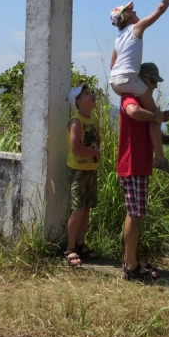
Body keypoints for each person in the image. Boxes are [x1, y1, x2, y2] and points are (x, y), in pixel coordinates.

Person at [109, 0, 169, 175]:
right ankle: (160, 158)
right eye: (131, 11)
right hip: (129, 79)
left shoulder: (118, 37)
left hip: (115, 81)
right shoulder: (137, 28)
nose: (135, 12)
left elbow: (112, 64)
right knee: (156, 116)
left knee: (155, 116)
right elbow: (160, 9)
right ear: (126, 17)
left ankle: (159, 135)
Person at [118, 62, 169, 281]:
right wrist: (156, 116)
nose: (155, 87)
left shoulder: (145, 101)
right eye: (152, 82)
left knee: (137, 215)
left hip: (141, 164)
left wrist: (159, 117)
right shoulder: (130, 96)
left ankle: (131, 259)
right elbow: (133, 113)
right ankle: (131, 266)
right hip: (132, 164)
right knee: (134, 214)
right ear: (140, 79)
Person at [63, 84, 101, 267]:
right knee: (78, 209)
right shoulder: (76, 121)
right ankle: (70, 248)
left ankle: (81, 243)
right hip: (78, 170)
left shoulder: (93, 121)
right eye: (87, 94)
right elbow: (76, 149)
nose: (92, 95)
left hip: (90, 169)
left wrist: (96, 151)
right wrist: (94, 152)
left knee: (86, 209)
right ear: (79, 101)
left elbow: (97, 140)